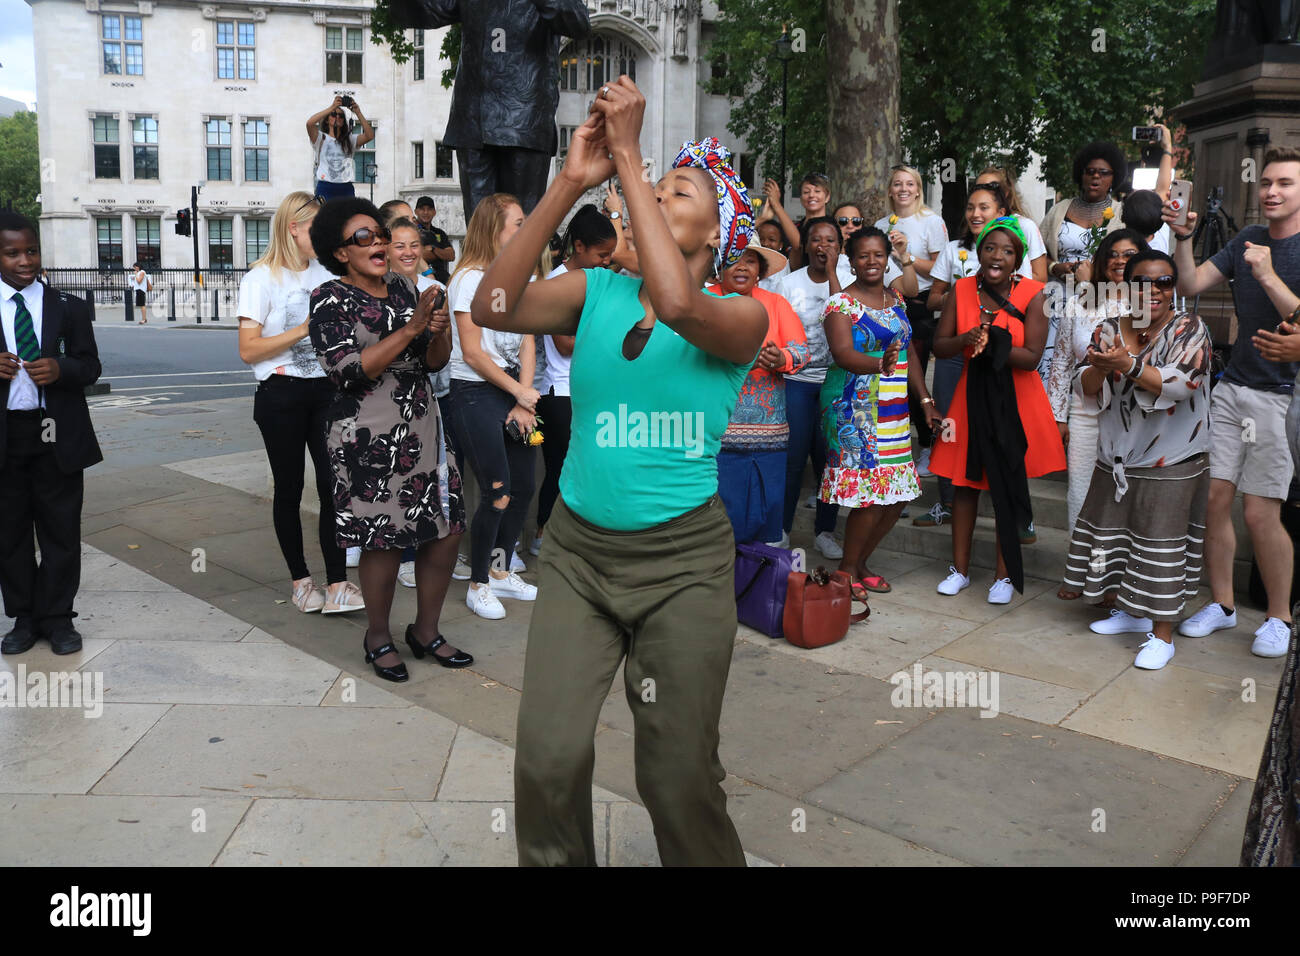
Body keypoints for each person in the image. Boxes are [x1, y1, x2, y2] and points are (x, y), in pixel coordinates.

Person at [473, 78, 767, 866]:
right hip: (576, 556)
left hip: (682, 568)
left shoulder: (740, 314)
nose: (654, 190)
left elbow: (674, 304)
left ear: (716, 233)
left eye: (677, 188)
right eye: (653, 181)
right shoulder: (596, 290)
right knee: (547, 759)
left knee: (675, 780)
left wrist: (630, 154)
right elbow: (494, 304)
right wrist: (571, 181)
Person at [308, 198, 473, 681]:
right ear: (340, 252)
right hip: (367, 436)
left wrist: (437, 329)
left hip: (422, 427)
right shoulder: (328, 298)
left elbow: (434, 361)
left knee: (446, 528)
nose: (378, 242)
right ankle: (377, 636)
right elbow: (348, 370)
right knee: (382, 539)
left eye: (379, 233)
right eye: (364, 237)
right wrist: (414, 327)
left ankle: (426, 630)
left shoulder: (405, 288)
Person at [1167, 145, 1300, 658]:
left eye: (1284, 183)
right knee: (1216, 499)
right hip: (1233, 388)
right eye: (1266, 182)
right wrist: (1183, 237)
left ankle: (1278, 617)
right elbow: (1191, 281)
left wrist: (1266, 275)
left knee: (1261, 512)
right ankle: (1222, 606)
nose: (1270, 191)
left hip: (1282, 396)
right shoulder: (1246, 238)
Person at [1061, 251, 1212, 670]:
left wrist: (1127, 364)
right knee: (1122, 540)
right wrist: (1101, 366)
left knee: (1160, 546)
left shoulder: (1190, 328)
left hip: (1172, 459)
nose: (1155, 291)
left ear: (1173, 287)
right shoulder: (1108, 328)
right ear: (1125, 288)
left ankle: (1162, 636)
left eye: (1164, 282)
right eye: (1143, 282)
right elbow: (1084, 386)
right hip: (1118, 456)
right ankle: (1131, 614)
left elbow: (1181, 384)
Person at [236, 192, 362, 615]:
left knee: (333, 487)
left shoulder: (324, 274)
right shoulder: (261, 279)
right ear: (293, 228)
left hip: (325, 392)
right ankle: (301, 581)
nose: (324, 237)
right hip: (281, 393)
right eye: (316, 228)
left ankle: (339, 582)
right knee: (289, 488)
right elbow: (249, 350)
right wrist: (306, 329)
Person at [928, 217, 1066, 603]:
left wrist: (994, 344)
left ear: (1018, 259)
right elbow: (940, 347)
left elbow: (1032, 358)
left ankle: (1004, 576)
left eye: (1007, 251)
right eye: (990, 248)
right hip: (970, 397)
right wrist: (964, 339)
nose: (997, 256)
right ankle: (960, 569)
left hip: (1016, 400)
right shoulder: (960, 289)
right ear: (978, 252)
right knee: (964, 483)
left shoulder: (1037, 293)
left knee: (1006, 483)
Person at [0, 211, 103, 656]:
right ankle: (24, 617)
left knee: (61, 529)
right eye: (12, 253)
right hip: (8, 436)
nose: (25, 260)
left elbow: (91, 365)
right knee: (11, 533)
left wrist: (61, 369)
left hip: (56, 433)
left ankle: (59, 617)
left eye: (32, 250)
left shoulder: (68, 306)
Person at [389, 0, 591, 217]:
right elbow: (423, 11)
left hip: (523, 122)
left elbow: (578, 22)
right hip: (474, 122)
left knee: (521, 227)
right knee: (480, 229)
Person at [822, 226, 937, 594]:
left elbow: (910, 355)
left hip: (895, 410)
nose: (871, 261)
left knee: (896, 495)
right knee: (870, 496)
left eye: (877, 254)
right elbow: (842, 353)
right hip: (856, 410)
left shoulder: (897, 300)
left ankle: (860, 562)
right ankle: (845, 571)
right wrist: (878, 366)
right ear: (851, 261)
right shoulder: (840, 304)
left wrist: (926, 401)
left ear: (887, 257)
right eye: (862, 255)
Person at [444, 193, 538, 620]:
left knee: (523, 487)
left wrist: (523, 395)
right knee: (496, 491)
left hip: (513, 391)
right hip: (475, 392)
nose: (525, 229)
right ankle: (478, 583)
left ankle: (501, 573)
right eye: (517, 223)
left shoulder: (522, 277)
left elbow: (529, 339)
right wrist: (518, 393)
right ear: (494, 229)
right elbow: (473, 353)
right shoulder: (468, 279)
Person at [915, 183, 1025, 529]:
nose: (976, 214)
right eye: (971, 208)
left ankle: (1015, 509)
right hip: (956, 350)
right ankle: (947, 502)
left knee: (1000, 427)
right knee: (951, 427)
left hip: (996, 354)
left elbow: (1025, 298)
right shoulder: (952, 251)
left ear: (1000, 214)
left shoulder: (1014, 249)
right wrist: (963, 301)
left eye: (985, 208)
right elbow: (933, 299)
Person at [1047, 228, 1148, 546]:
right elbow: (1061, 363)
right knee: (1081, 491)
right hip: (1084, 410)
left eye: (1129, 254)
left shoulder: (1149, 304)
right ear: (1102, 261)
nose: (1120, 261)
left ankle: (1117, 578)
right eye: (1113, 254)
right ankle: (1080, 570)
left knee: (1126, 493)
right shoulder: (1079, 304)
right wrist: (1058, 417)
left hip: (1137, 416)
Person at [531, 204, 617, 556]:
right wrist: (608, 331)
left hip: (594, 391)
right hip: (560, 392)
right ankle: (542, 534)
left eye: (611, 255)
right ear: (578, 246)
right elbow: (565, 345)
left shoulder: (602, 281)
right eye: (602, 254)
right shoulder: (555, 285)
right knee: (562, 469)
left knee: (591, 470)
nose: (608, 262)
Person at [709, 244, 806, 544]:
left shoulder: (776, 303)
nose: (741, 267)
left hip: (768, 438)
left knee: (766, 513)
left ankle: (759, 583)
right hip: (714, 434)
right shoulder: (704, 300)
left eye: (750, 262)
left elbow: (801, 352)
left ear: (760, 272)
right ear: (718, 267)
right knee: (716, 521)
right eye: (733, 260)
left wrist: (781, 359)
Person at [776, 216, 845, 557]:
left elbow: (842, 316)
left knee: (829, 460)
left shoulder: (846, 281)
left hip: (834, 383)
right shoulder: (789, 284)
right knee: (792, 460)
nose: (823, 247)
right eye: (816, 240)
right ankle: (782, 530)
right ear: (805, 246)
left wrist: (833, 274)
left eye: (831, 241)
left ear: (840, 247)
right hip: (796, 382)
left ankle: (825, 531)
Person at [875, 164, 950, 474]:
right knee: (890, 378)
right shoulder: (881, 223)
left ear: (919, 189)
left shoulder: (931, 221)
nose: (903, 189)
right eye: (897, 184)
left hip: (919, 305)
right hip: (887, 302)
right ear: (890, 190)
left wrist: (906, 256)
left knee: (914, 379)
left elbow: (940, 268)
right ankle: (895, 444)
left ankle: (928, 446)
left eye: (910, 184)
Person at [387, 215, 447, 588]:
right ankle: (395, 551)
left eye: (414, 245)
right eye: (399, 245)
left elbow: (440, 356)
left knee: (421, 476)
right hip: (383, 398)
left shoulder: (436, 287)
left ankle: (417, 550)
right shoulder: (377, 291)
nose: (409, 252)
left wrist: (437, 330)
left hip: (424, 396)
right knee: (390, 477)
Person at [1040, 143, 1128, 386]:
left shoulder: (1122, 214)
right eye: (1090, 171)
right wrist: (1055, 267)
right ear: (1081, 174)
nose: (1095, 177)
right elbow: (1035, 253)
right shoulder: (1059, 210)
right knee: (1052, 364)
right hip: (1058, 299)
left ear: (1114, 177)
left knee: (1086, 356)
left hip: (1097, 301)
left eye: (1103, 173)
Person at [973, 167, 1049, 282]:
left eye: (989, 188)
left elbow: (1041, 278)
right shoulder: (973, 225)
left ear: (1006, 192)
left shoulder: (1024, 226)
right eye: (977, 188)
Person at [305, 97, 374, 200]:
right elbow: (310, 123)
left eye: (341, 116)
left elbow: (369, 136)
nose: (337, 117)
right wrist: (332, 107)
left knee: (348, 215)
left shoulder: (350, 140)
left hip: (345, 187)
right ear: (327, 120)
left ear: (343, 121)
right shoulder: (321, 138)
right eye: (333, 115)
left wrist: (358, 112)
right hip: (326, 185)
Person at [414, 196, 455, 285]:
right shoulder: (412, 232)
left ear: (434, 212)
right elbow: (418, 256)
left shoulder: (440, 233)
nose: (426, 212)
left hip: (442, 279)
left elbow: (451, 255)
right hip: (421, 279)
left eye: (429, 209)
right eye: (422, 209)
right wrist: (441, 254)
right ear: (416, 211)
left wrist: (433, 249)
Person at [756, 219, 790, 291]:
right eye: (761, 239)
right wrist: (763, 217)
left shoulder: (786, 266)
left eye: (771, 239)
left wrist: (777, 208)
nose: (765, 243)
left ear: (781, 244)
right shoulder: (750, 265)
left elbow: (797, 246)